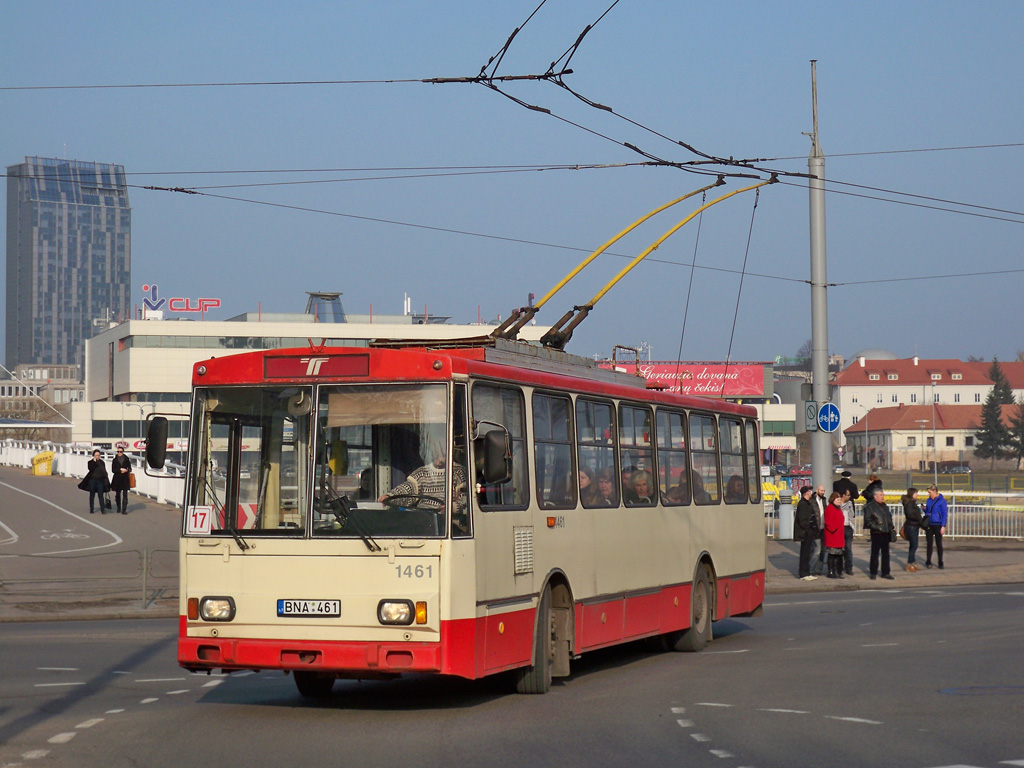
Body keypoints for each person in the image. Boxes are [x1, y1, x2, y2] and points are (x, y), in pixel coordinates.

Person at [379, 443, 467, 513]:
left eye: (445, 446)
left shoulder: (459, 472)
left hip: (449, 522)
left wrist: (452, 508)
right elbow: (408, 488)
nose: (442, 450)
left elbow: (465, 500)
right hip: (424, 519)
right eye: (439, 447)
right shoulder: (421, 473)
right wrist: (390, 496)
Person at [863, 486, 895, 580]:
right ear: (875, 496)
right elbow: (868, 521)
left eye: (883, 494)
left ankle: (886, 572)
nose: (882, 496)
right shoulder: (870, 507)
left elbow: (888, 517)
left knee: (886, 554)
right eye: (880, 495)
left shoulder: (884, 506)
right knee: (875, 553)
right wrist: (878, 527)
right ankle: (873, 572)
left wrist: (890, 527)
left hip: (886, 532)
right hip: (877, 533)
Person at [832, 470, 859, 575]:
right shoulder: (853, 485)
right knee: (848, 547)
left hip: (838, 522)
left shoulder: (835, 484)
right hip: (848, 518)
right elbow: (856, 496)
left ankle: (838, 567)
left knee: (838, 547)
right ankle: (849, 568)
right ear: (850, 476)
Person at [794, 485, 819, 580]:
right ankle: (803, 573)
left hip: (810, 532)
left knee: (808, 553)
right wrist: (808, 529)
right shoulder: (802, 504)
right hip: (805, 533)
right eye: (809, 491)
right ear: (806, 493)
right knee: (804, 553)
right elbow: (802, 520)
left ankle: (807, 572)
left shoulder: (808, 503)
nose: (811, 493)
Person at [923, 484, 948, 569]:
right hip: (930, 524)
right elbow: (928, 511)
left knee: (939, 544)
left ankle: (940, 561)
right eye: (928, 492)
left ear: (934, 491)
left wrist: (943, 525)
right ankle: (928, 561)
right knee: (929, 543)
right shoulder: (928, 500)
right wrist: (924, 509)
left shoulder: (942, 501)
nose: (929, 494)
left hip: (937, 524)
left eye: (930, 492)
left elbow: (944, 514)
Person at [823, 491, 846, 579]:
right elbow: (828, 522)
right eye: (837, 499)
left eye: (840, 499)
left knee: (839, 555)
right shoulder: (829, 508)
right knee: (832, 555)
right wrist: (834, 530)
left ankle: (838, 571)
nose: (839, 501)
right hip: (832, 535)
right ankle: (831, 571)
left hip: (839, 535)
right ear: (833, 499)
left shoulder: (838, 508)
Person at [901, 487, 925, 571]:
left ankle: (913, 562)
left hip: (914, 526)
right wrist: (918, 519)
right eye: (916, 493)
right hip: (912, 526)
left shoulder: (912, 503)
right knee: (914, 545)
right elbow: (910, 514)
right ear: (912, 494)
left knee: (914, 545)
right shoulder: (909, 503)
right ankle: (909, 563)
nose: (917, 495)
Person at [80, 449, 109, 514]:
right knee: (92, 495)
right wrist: (95, 462)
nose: (97, 457)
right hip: (92, 480)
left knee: (100, 495)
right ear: (93, 456)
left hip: (100, 481)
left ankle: (102, 509)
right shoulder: (90, 462)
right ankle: (91, 508)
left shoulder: (102, 462)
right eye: (96, 455)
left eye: (98, 455)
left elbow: (104, 471)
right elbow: (91, 469)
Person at [810, 484, 828, 575]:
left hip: (823, 528)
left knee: (823, 551)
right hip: (816, 528)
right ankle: (811, 569)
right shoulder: (812, 500)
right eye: (821, 490)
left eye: (824, 491)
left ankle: (818, 569)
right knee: (817, 550)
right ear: (817, 490)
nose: (823, 492)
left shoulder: (824, 500)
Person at [110, 447, 132, 515]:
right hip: (117, 478)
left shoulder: (126, 459)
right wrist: (120, 470)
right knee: (118, 494)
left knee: (125, 494)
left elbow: (130, 468)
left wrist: (127, 470)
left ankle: (124, 509)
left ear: (123, 452)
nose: (119, 453)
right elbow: (113, 470)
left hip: (125, 478)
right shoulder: (114, 460)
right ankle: (118, 508)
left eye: (121, 451)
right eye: (118, 451)